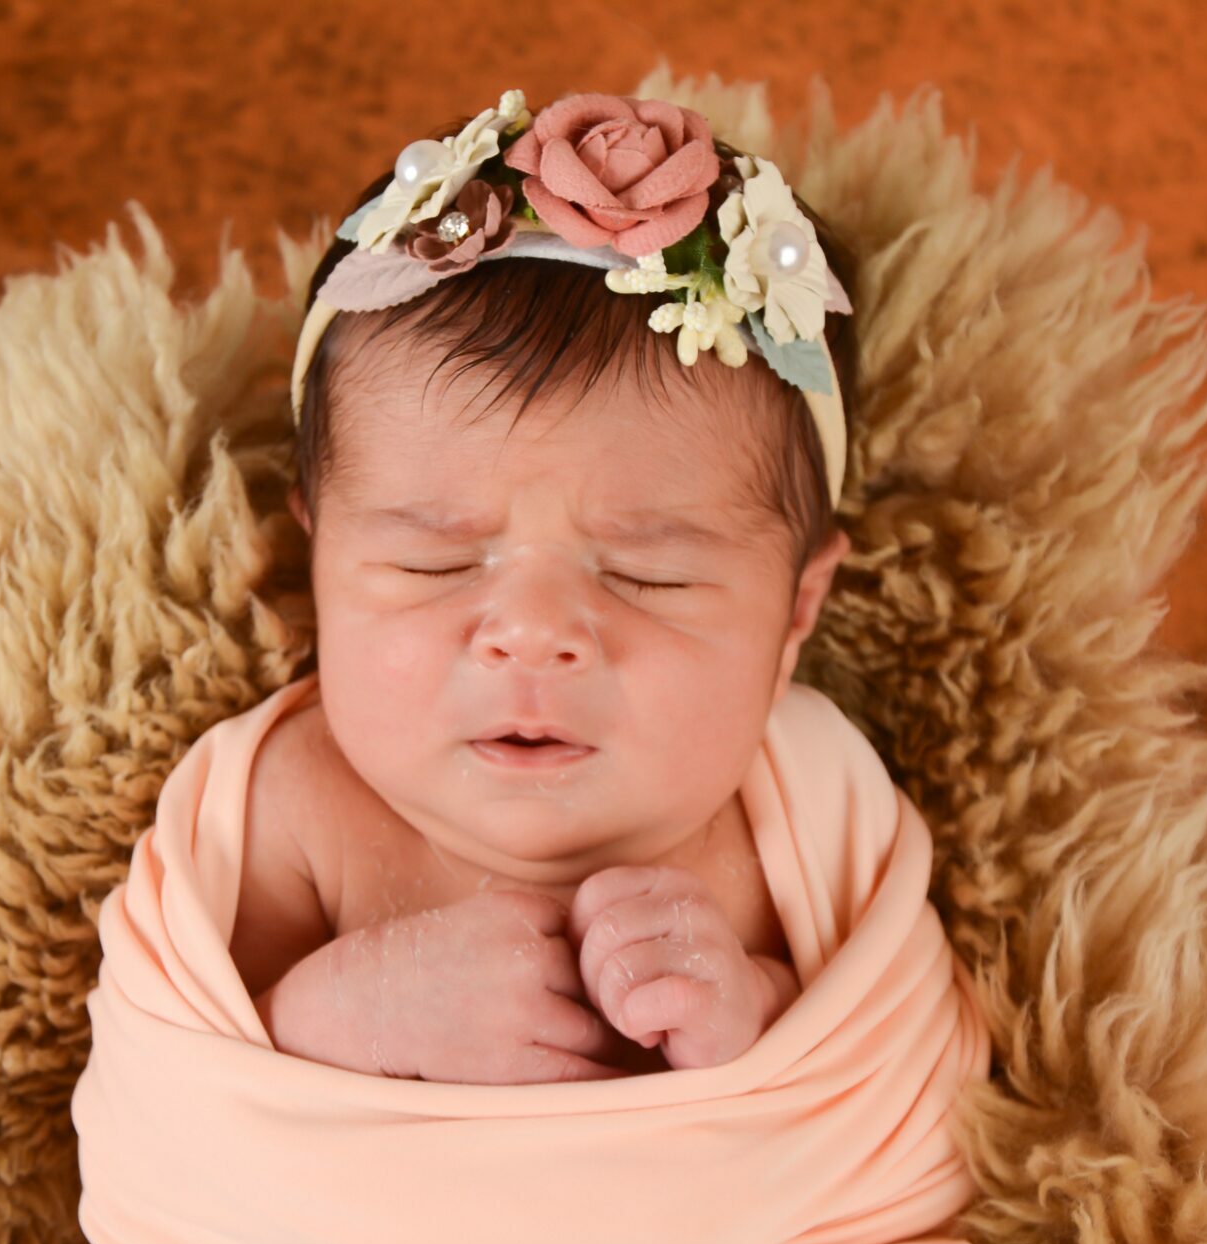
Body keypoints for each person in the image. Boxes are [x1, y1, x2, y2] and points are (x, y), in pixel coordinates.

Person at [234, 88, 865, 1085]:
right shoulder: (290, 811)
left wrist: (764, 1011)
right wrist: (332, 1017)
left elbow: (925, 1069)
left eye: (650, 576)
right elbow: (162, 1081)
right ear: (315, 565)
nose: (531, 633)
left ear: (796, 611)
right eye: (433, 562)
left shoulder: (815, 803)